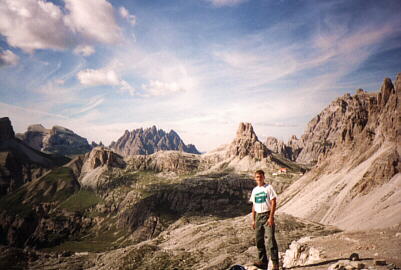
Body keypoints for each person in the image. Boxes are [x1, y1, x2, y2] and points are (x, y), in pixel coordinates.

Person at [249, 169, 279, 270]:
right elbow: (254, 205)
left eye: (261, 176)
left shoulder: (269, 188)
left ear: (264, 177)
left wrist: (271, 217)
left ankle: (275, 264)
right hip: (258, 216)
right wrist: (253, 220)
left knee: (270, 239)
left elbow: (273, 202)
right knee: (259, 241)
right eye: (257, 177)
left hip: (267, 215)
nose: (259, 178)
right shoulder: (255, 190)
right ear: (255, 178)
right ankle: (263, 262)